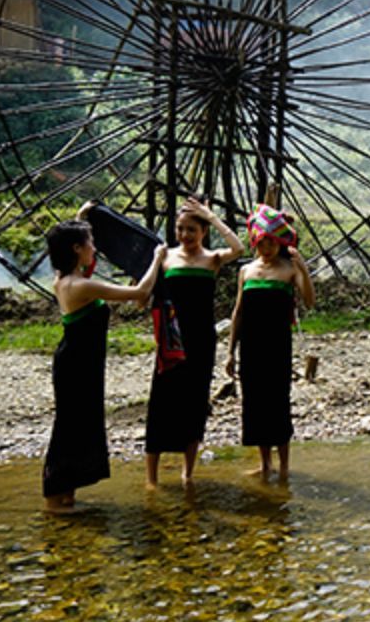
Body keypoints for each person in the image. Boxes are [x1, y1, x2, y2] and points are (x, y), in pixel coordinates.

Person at [43, 205, 166, 513]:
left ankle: (65, 494)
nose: (95, 247)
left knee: (78, 425)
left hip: (79, 361)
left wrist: (83, 218)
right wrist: (157, 257)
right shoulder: (81, 285)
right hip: (77, 365)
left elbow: (73, 244)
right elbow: (140, 291)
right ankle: (53, 498)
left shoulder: (64, 278)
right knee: (70, 427)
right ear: (76, 249)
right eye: (90, 242)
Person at [144, 198, 244, 489]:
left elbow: (239, 249)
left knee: (195, 403)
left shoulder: (212, 259)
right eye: (180, 229)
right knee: (161, 401)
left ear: (202, 232)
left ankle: (188, 473)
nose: (184, 235)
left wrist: (211, 216)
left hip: (201, 340)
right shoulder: (166, 258)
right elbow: (146, 289)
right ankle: (151, 478)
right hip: (171, 340)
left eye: (191, 229)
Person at [225, 203, 314, 481]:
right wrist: (230, 353)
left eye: (271, 243)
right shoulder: (247, 272)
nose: (266, 248)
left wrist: (303, 269)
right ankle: (265, 464)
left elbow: (309, 302)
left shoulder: (288, 270)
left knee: (278, 402)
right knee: (254, 403)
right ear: (255, 242)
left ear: (279, 243)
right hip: (251, 347)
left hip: (277, 346)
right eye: (262, 243)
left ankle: (284, 466)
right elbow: (238, 313)